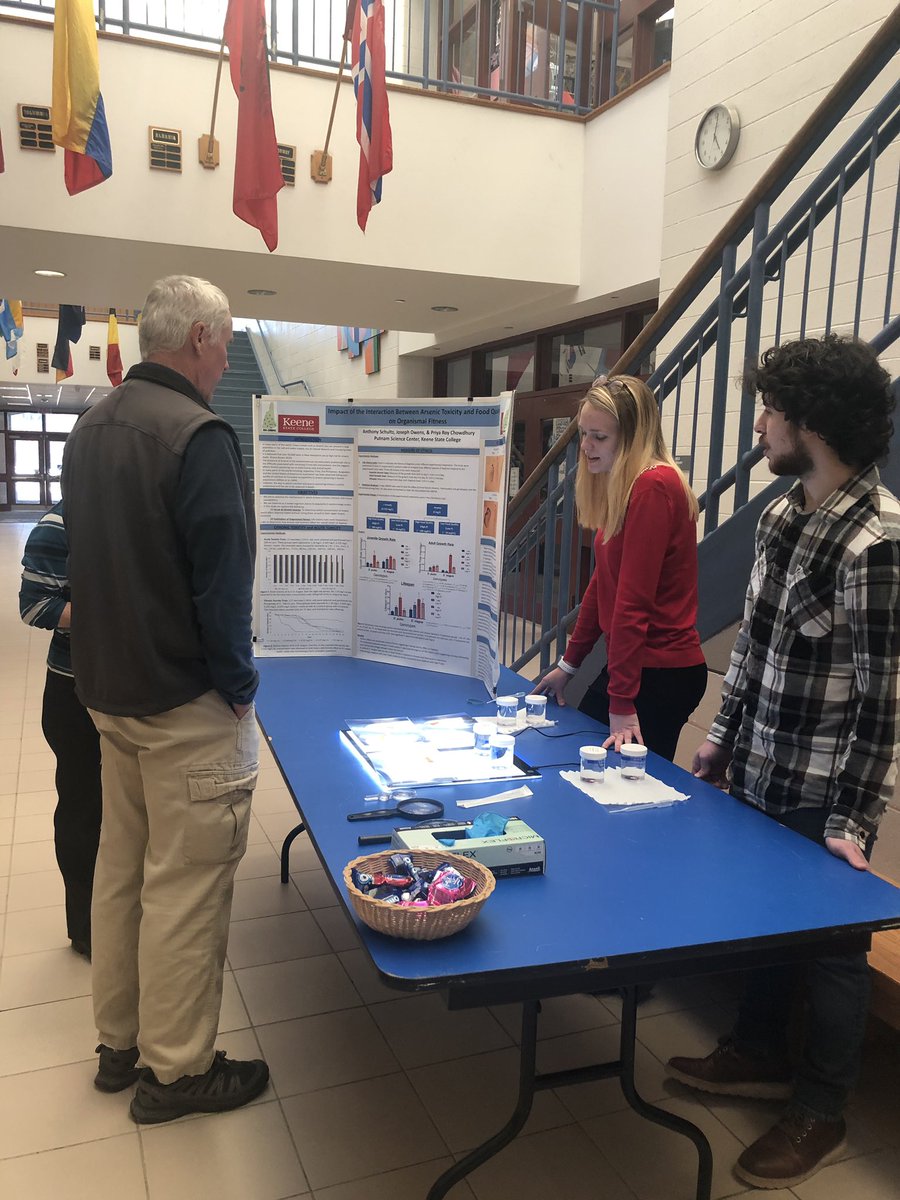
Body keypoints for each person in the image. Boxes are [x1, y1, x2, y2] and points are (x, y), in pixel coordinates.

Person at [666, 334, 900, 1189]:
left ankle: (820, 1111)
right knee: (761, 919)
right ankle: (758, 1053)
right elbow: (755, 651)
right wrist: (721, 738)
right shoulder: (780, 516)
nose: (759, 424)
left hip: (824, 789)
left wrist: (851, 820)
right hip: (760, 767)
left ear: (814, 424)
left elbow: (883, 700)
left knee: (834, 951)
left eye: (771, 410)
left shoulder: (878, 541)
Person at [61, 275, 267, 1121]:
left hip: (110, 698)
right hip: (184, 707)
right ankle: (178, 1072)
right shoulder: (200, 435)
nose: (225, 359)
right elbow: (223, 587)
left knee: (122, 872)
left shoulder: (90, 426)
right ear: (200, 339)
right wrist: (240, 687)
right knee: (185, 887)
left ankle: (119, 1044)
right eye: (224, 342)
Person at [533, 374, 707, 760]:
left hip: (660, 671)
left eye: (599, 437)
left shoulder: (653, 486)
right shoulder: (627, 486)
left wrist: (622, 701)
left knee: (613, 776)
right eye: (584, 434)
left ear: (631, 438)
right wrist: (569, 663)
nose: (586, 446)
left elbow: (633, 602)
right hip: (639, 667)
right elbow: (603, 585)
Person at [19, 499, 101, 960]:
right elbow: (35, 607)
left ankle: (131, 914)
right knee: (84, 808)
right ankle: (86, 928)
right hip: (76, 693)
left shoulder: (145, 509)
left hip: (139, 690)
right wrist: (117, 614)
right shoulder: (59, 523)